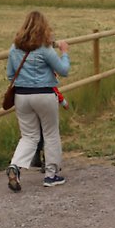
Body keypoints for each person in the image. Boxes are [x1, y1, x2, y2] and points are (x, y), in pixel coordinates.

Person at [5, 11, 71, 191]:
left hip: (22, 96)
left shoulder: (14, 48)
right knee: (50, 134)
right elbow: (63, 70)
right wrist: (64, 52)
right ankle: (51, 175)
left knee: (28, 136)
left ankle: (16, 166)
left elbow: (10, 74)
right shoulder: (44, 49)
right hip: (44, 94)